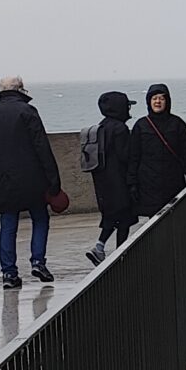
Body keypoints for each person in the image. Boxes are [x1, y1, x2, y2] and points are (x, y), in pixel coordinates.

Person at [0, 77, 62, 286]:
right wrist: (53, 179)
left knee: (8, 225)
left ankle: (9, 272)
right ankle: (38, 262)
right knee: (40, 219)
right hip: (33, 177)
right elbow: (41, 147)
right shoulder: (28, 112)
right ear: (21, 89)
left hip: (6, 179)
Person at [127, 83, 186, 219]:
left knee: (175, 218)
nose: (158, 102)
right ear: (149, 101)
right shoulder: (141, 125)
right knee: (153, 220)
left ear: (168, 101)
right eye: (154, 98)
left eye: (161, 98)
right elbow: (134, 156)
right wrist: (132, 183)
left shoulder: (178, 124)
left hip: (173, 181)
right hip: (147, 182)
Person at [81, 89, 137, 264]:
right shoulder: (120, 129)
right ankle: (119, 253)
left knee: (111, 216)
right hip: (120, 181)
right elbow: (126, 156)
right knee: (125, 218)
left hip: (103, 181)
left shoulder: (101, 127)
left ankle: (100, 246)